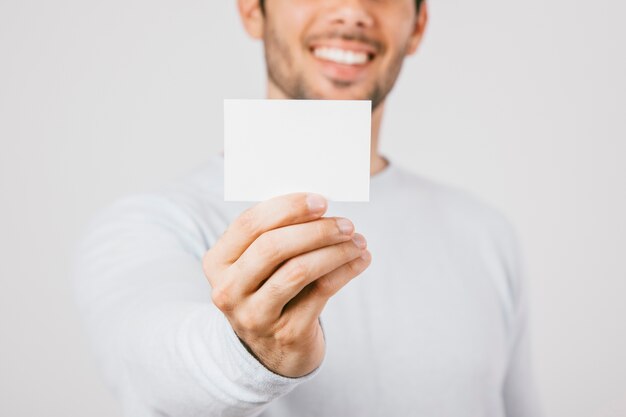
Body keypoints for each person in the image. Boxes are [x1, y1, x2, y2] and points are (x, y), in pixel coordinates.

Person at [72, 0, 543, 416]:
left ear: (418, 25)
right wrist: (251, 351)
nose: (351, 9)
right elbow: (151, 371)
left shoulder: (484, 233)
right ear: (252, 9)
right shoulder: (154, 223)